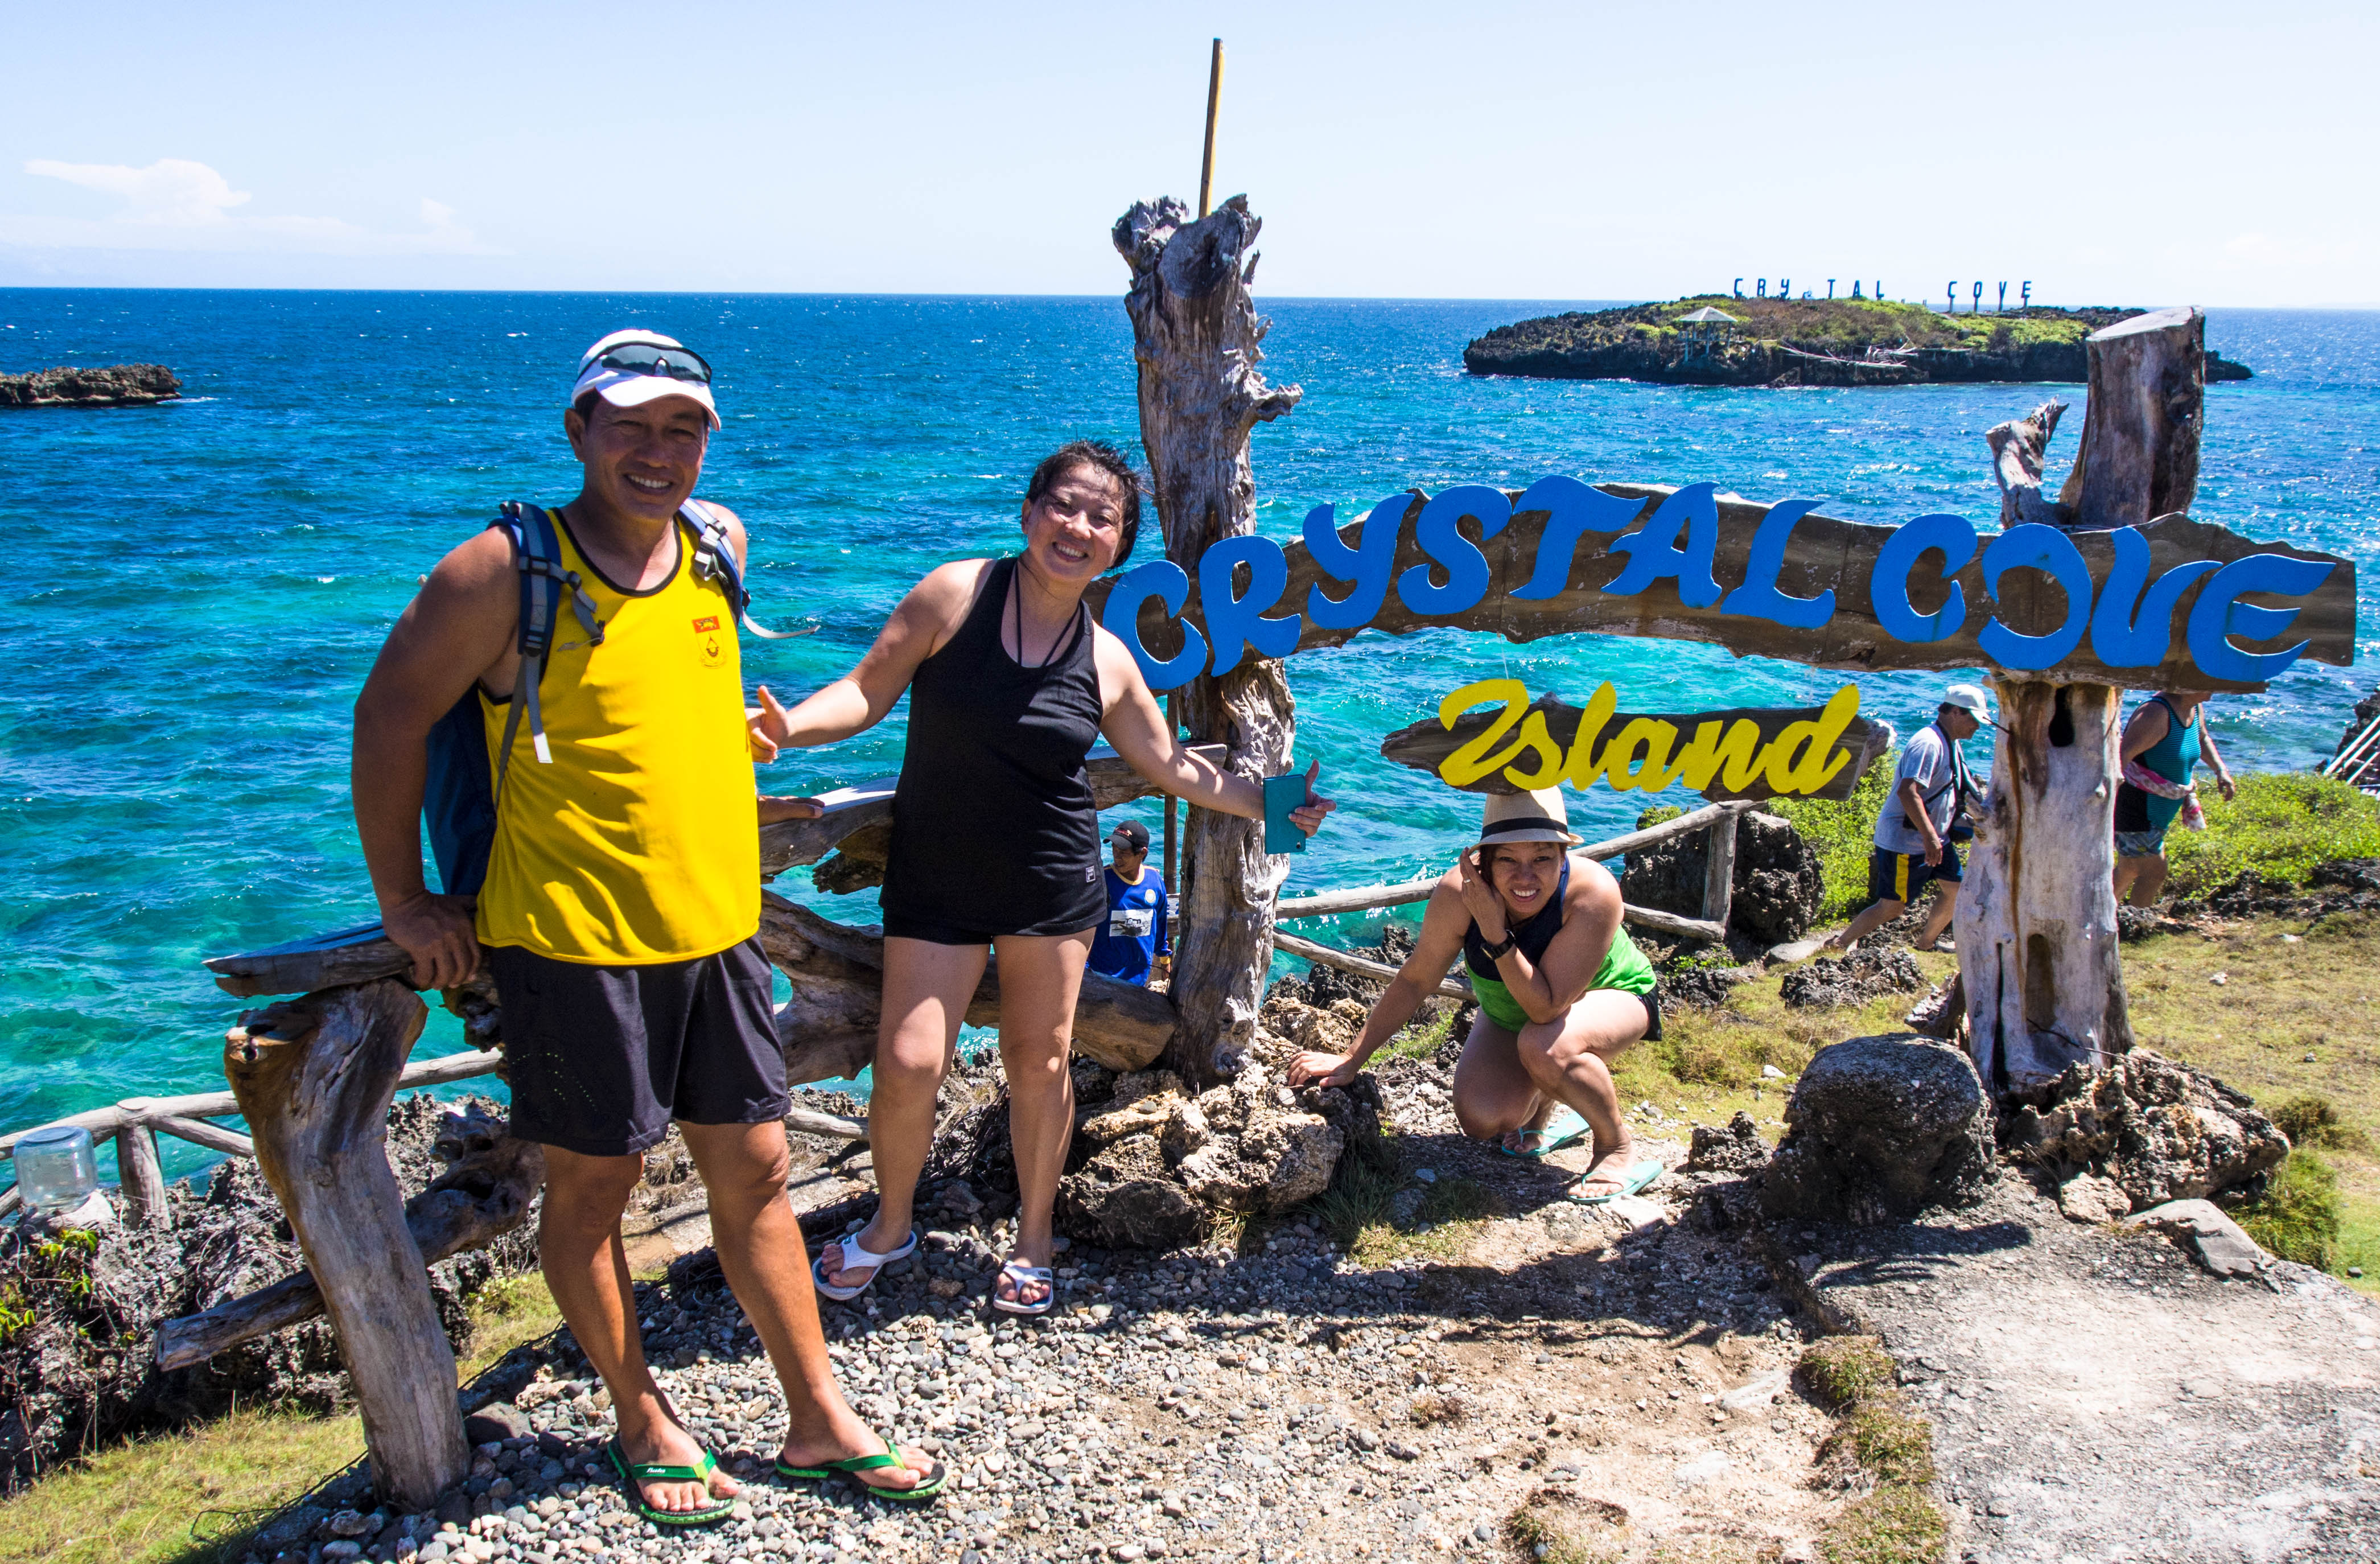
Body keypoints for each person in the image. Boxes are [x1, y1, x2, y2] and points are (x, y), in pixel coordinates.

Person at [351, 330, 941, 1521]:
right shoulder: (497, 575)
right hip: (570, 939)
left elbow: (682, 647)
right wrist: (407, 903)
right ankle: (642, 1417)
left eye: (683, 428)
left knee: (761, 1170)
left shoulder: (716, 548)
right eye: (628, 425)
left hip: (716, 926)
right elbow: (388, 720)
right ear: (577, 431)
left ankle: (818, 1418)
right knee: (595, 1186)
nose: (656, 451)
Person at [745, 439, 1333, 1316]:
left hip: (1050, 884)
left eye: (1102, 518)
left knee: (1039, 1057)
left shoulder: (1106, 659)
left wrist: (1273, 805)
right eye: (1064, 505)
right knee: (907, 1062)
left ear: (1117, 546)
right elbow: (865, 693)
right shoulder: (955, 593)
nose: (1078, 526)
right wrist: (789, 728)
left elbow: (1173, 768)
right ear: (1029, 512)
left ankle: (1032, 1233)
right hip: (937, 873)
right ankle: (889, 1224)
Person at [1283, 788, 1661, 1200]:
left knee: (1546, 1047)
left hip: (1610, 996)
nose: (1526, 877)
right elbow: (1416, 980)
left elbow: (1547, 1007)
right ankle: (1547, 1109)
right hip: (1512, 1013)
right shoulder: (1458, 893)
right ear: (1484, 862)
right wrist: (1352, 1058)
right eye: (1509, 860)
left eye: (1542, 859)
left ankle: (1614, 1144)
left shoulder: (1593, 893)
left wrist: (1495, 931)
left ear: (1562, 857)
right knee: (1484, 1119)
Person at [1826, 684, 1989, 956]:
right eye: (1974, 719)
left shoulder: (1951, 742)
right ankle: (1839, 943)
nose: (1978, 727)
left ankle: (1926, 944)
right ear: (1957, 713)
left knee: (1957, 889)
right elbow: (1908, 791)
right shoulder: (1929, 743)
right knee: (1892, 906)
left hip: (1934, 839)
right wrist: (1929, 839)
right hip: (1908, 841)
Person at [2113, 691, 2235, 907]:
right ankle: (2137, 925)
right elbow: (2122, 757)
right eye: (2210, 679)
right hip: (2136, 810)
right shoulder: (2156, 713)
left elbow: (2202, 737)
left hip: (2157, 815)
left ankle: (2098, 920)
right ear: (2189, 681)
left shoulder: (2193, 707)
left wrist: (2220, 769)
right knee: (2153, 872)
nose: (2216, 686)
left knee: (2129, 870)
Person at [1085, 819, 1170, 986]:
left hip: (1140, 978)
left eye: (1123, 852)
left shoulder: (1155, 881)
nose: (1116, 856)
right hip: (1102, 978)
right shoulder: (1103, 881)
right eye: (1114, 849)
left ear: (1142, 853)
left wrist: (1165, 959)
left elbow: (1160, 924)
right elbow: (1085, 928)